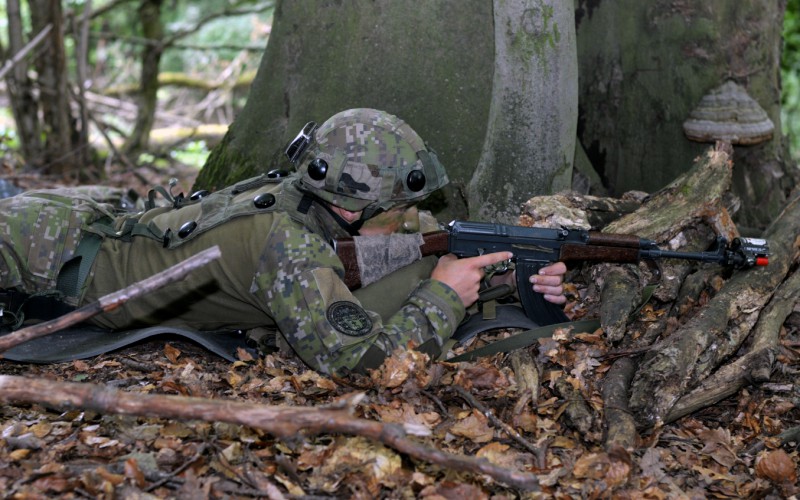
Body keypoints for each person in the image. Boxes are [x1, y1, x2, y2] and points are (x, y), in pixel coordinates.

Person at [0, 108, 566, 376]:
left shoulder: (306, 199)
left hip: (82, 223)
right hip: (47, 253)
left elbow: (404, 253)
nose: (410, 220)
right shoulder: (288, 246)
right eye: (399, 210)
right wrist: (444, 297)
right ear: (352, 209)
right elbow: (353, 359)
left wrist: (507, 272)